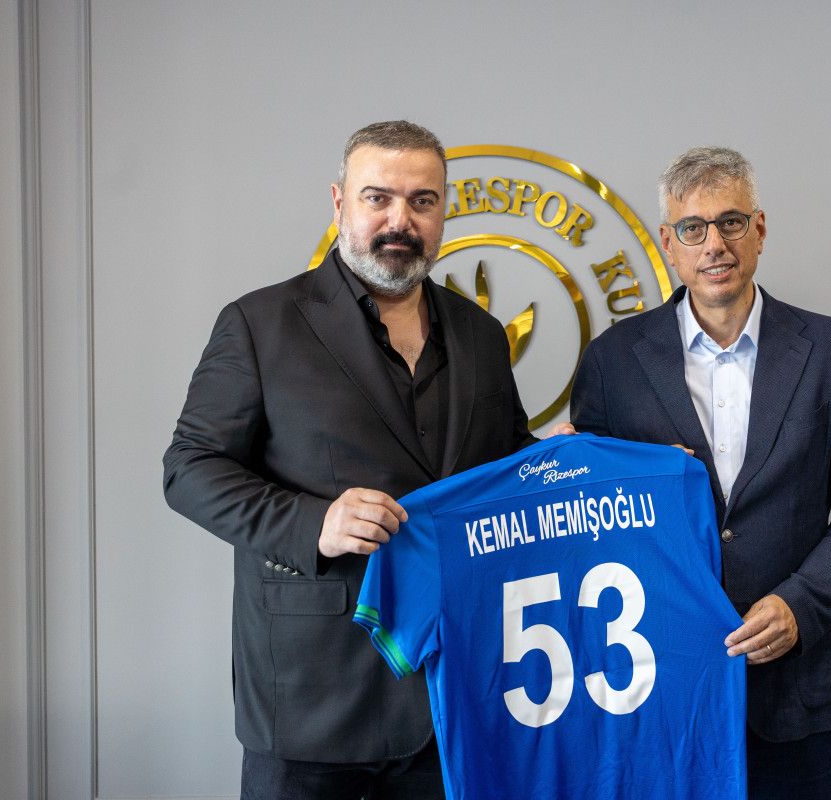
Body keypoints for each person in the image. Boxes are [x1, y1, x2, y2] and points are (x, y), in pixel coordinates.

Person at [163, 120, 564, 799]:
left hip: (454, 692)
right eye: (378, 198)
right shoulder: (260, 324)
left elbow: (499, 466)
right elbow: (188, 468)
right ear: (339, 202)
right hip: (313, 701)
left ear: (443, 210)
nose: (399, 220)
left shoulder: (480, 334)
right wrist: (313, 523)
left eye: (422, 201)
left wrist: (560, 464)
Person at [570, 146, 831, 800]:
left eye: (731, 222)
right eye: (693, 228)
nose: (714, 244)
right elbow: (591, 519)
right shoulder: (613, 361)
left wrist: (801, 603)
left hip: (798, 683)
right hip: (655, 680)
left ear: (760, 230)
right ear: (669, 243)